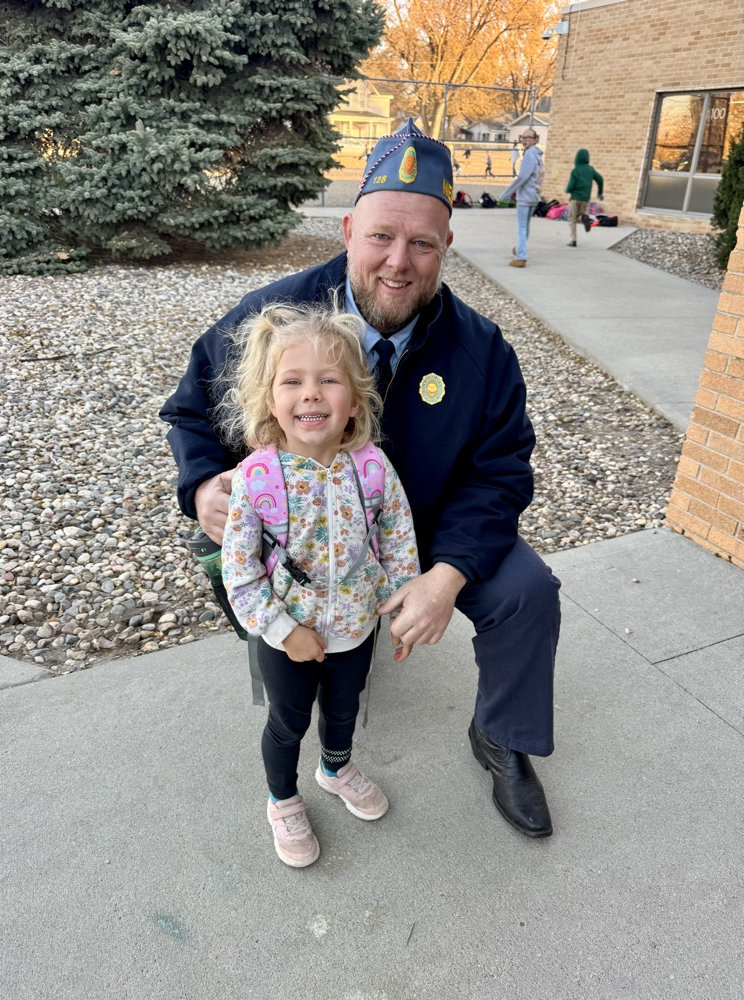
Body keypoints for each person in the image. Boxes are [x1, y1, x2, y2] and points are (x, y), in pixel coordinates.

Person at [160, 118, 561, 842]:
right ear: (348, 229)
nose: (398, 262)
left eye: (422, 243)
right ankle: (292, 690)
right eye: (380, 236)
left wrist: (446, 575)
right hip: (300, 535)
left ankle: (503, 736)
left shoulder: (483, 350)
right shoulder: (274, 316)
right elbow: (189, 410)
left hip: (429, 526)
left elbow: (502, 470)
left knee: (529, 593)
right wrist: (201, 486)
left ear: (447, 247)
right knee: (251, 591)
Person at [217, 301, 420, 867]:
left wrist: (402, 608)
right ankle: (282, 800)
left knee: (344, 707)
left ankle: (334, 768)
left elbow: (397, 539)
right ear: (271, 401)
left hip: (355, 625)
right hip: (289, 636)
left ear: (353, 401)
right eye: (293, 381)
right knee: (288, 721)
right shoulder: (259, 479)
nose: (311, 393)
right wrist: (283, 631)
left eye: (328, 380)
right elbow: (240, 571)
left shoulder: (372, 467)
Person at [499, 129, 544, 268]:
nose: (524, 140)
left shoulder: (530, 155)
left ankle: (521, 256)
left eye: (528, 137)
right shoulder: (537, 155)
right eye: (522, 137)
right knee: (526, 225)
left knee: (522, 227)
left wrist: (505, 194)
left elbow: (523, 177)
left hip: (526, 196)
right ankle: (520, 248)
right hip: (533, 195)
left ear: (535, 139)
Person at [565, 148, 604, 247]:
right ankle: (584, 218)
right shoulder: (590, 169)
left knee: (572, 218)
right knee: (579, 216)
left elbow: (571, 184)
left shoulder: (575, 170)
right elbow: (600, 179)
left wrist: (568, 190)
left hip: (575, 197)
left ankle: (573, 240)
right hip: (585, 199)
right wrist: (600, 193)